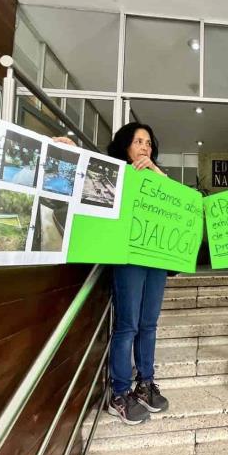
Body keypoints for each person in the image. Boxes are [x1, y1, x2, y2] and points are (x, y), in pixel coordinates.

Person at [55, 122, 170, 424]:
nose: (144, 146)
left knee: (149, 324)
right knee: (128, 326)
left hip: (156, 259)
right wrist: (69, 151)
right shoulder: (115, 175)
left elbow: (178, 203)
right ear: (125, 147)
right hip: (128, 259)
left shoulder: (160, 181)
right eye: (138, 141)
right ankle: (119, 393)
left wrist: (156, 173)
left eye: (148, 142)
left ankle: (145, 384)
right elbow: (88, 174)